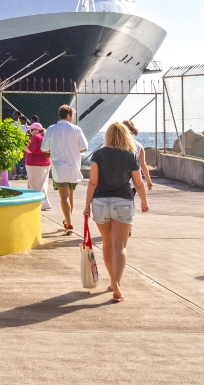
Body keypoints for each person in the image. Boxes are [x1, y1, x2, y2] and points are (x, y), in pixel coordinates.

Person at [82, 122, 149, 302]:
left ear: (108, 135)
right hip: (123, 202)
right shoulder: (130, 155)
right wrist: (143, 201)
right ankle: (117, 283)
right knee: (120, 246)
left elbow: (93, 182)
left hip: (100, 202)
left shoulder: (98, 154)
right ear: (126, 135)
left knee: (107, 244)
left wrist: (87, 206)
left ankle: (112, 280)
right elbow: (138, 183)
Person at [42, 104, 88, 233]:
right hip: (73, 165)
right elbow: (84, 147)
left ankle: (69, 223)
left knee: (64, 196)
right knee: (70, 195)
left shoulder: (51, 129)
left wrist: (55, 149)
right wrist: (73, 149)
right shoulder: (76, 129)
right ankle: (68, 221)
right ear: (68, 116)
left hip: (59, 166)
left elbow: (44, 148)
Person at [23, 122, 54, 212]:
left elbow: (30, 150)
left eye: (32, 130)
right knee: (42, 184)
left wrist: (21, 146)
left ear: (36, 130)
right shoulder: (46, 137)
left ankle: (42, 203)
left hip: (34, 164)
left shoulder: (35, 137)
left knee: (35, 185)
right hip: (45, 164)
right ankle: (43, 202)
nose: (30, 131)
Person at [121, 120, 154, 191]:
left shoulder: (113, 145)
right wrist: (148, 181)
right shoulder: (138, 146)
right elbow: (143, 165)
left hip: (115, 183)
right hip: (132, 183)